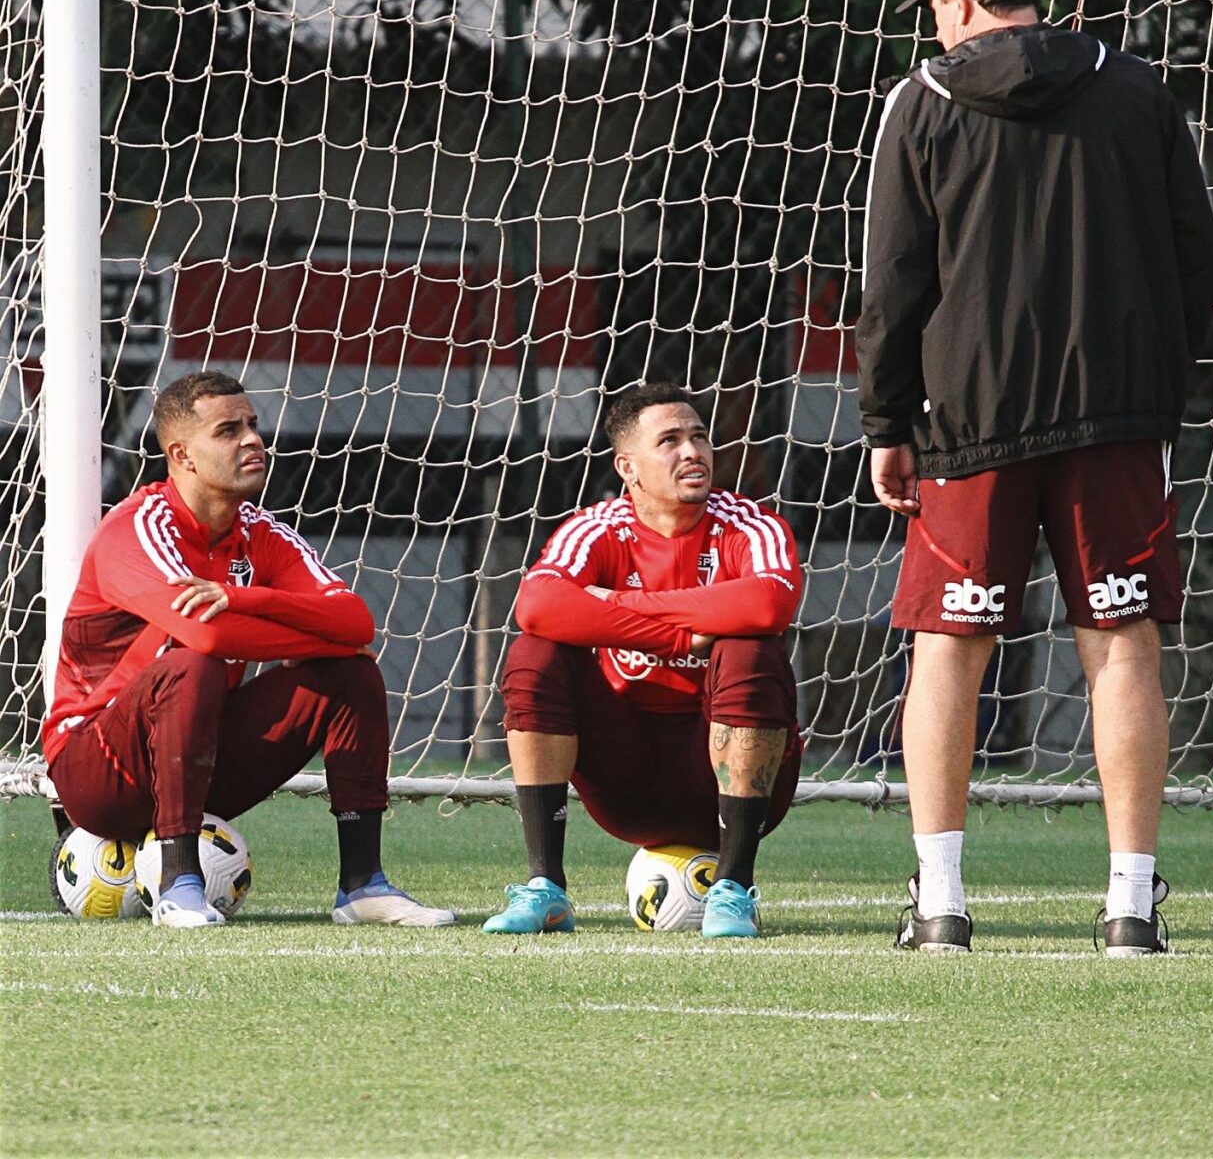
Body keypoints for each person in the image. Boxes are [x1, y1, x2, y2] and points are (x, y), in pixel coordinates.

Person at [857, 0, 1213, 955]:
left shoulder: (921, 101)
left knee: (948, 648)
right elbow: (1198, 251)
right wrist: (1158, 374)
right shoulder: (1139, 90)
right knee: (1121, 646)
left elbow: (891, 284)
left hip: (965, 420)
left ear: (957, 3)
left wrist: (885, 423)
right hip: (1114, 415)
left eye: (932, 6)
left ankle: (939, 903)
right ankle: (1128, 904)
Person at [43, 371, 456, 930]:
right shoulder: (136, 528)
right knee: (193, 665)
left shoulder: (263, 533)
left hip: (195, 756)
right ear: (182, 454)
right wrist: (299, 632)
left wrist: (245, 597)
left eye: (254, 426)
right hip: (99, 771)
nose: (253, 440)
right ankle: (179, 884)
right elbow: (207, 638)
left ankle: (362, 886)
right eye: (228, 430)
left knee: (349, 673)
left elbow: (356, 622)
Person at [482, 383, 803, 939]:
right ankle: (545, 889)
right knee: (535, 655)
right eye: (671, 441)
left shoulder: (750, 525)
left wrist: (624, 604)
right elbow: (537, 605)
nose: (692, 451)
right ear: (627, 466)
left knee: (749, 647)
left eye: (699, 436)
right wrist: (681, 639)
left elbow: (769, 601)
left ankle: (733, 888)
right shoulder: (599, 528)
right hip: (625, 774)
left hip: (724, 777)